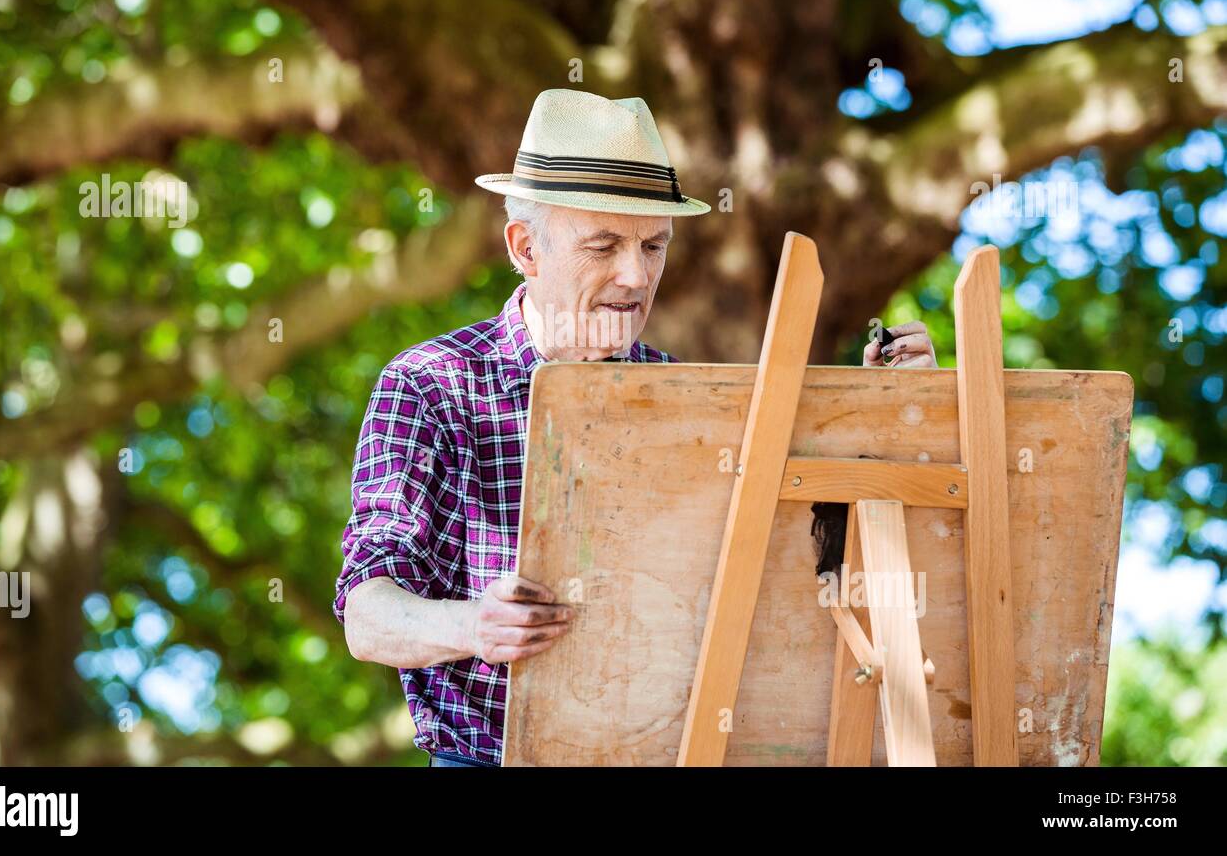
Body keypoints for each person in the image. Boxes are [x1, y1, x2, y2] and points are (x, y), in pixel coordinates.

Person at [333, 89, 937, 767]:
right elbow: (368, 612)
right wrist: (476, 624)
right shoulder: (431, 384)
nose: (637, 275)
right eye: (605, 245)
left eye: (654, 245)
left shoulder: (681, 394)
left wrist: (896, 415)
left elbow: (802, 569)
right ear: (526, 247)